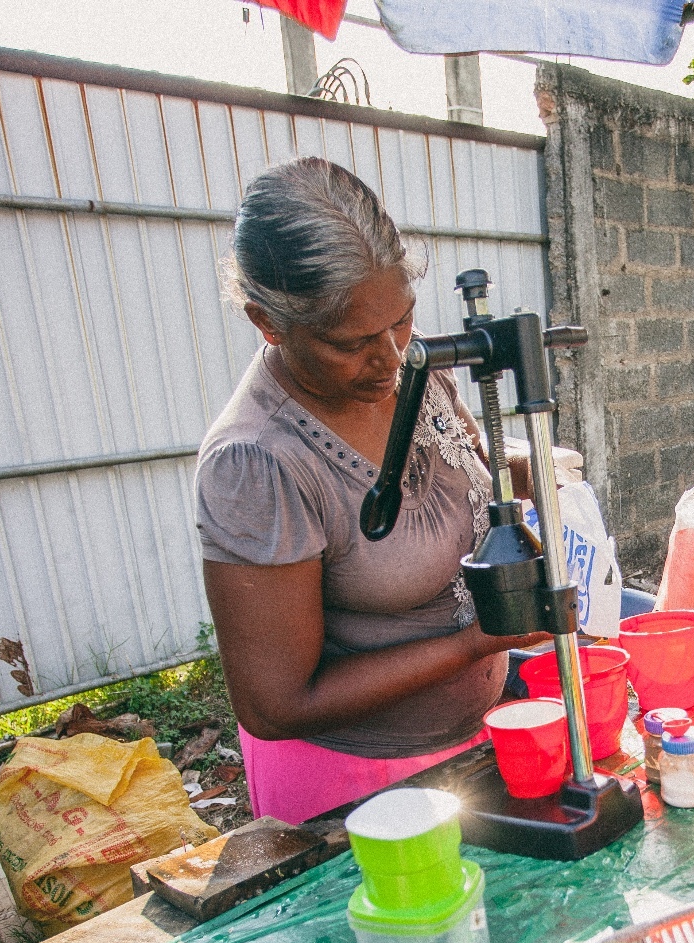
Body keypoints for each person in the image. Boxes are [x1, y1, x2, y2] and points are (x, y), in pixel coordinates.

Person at [196, 158, 569, 823]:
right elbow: (275, 704)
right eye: (354, 342)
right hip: (352, 795)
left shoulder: (413, 362)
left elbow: (465, 462)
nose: (393, 358)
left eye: (402, 320)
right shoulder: (257, 463)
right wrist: (479, 641)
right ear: (267, 322)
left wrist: (537, 465)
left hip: (479, 741)